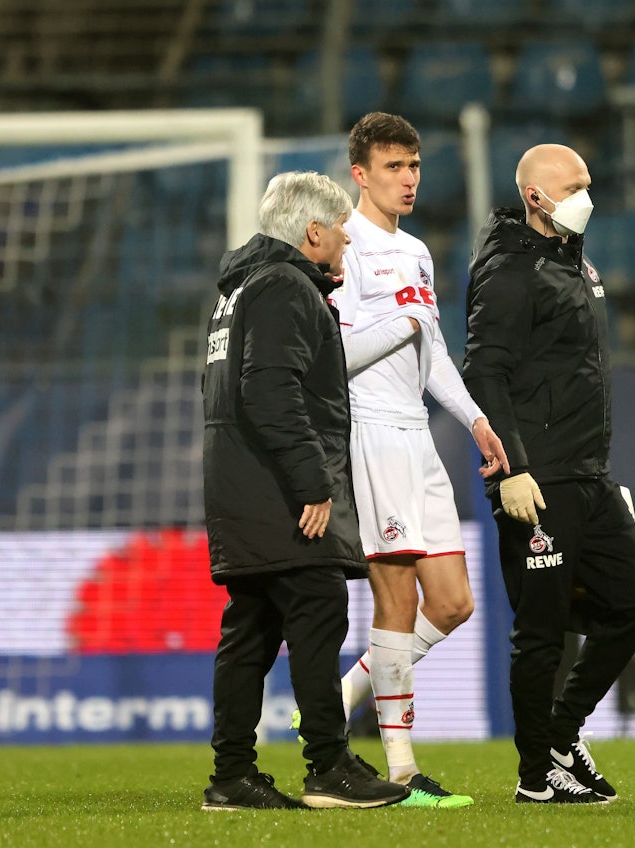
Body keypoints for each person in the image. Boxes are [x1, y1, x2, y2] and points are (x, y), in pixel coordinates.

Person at [461, 144, 635, 804]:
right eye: (573, 185)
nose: (588, 196)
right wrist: (510, 469)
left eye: (588, 181)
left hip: (585, 472)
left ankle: (559, 732)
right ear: (535, 198)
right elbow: (483, 372)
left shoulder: (569, 261)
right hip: (536, 477)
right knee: (540, 633)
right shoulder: (510, 271)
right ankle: (534, 777)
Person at [201, 171, 410, 811]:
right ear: (312, 232)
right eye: (340, 227)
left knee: (252, 629)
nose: (348, 236)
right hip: (278, 489)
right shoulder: (283, 287)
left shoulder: (239, 290)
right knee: (317, 611)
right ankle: (328, 766)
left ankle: (232, 777)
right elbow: (271, 392)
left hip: (239, 485)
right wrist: (312, 481)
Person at [326, 111, 509, 809]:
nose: (407, 179)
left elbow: (430, 351)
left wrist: (472, 419)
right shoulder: (342, 245)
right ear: (360, 174)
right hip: (370, 432)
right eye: (393, 167)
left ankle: (343, 692)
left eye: (414, 166)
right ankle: (401, 770)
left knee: (454, 602)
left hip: (418, 434)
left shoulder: (419, 252)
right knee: (396, 601)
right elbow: (335, 357)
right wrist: (399, 321)